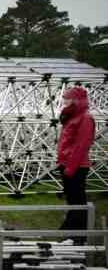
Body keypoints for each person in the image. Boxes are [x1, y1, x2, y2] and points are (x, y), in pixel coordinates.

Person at [57, 87, 95, 240]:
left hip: (76, 167)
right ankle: (71, 230)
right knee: (72, 199)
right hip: (67, 164)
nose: (64, 101)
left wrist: (70, 168)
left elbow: (82, 145)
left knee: (77, 200)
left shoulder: (85, 118)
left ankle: (78, 234)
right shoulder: (72, 116)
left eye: (67, 98)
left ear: (76, 100)